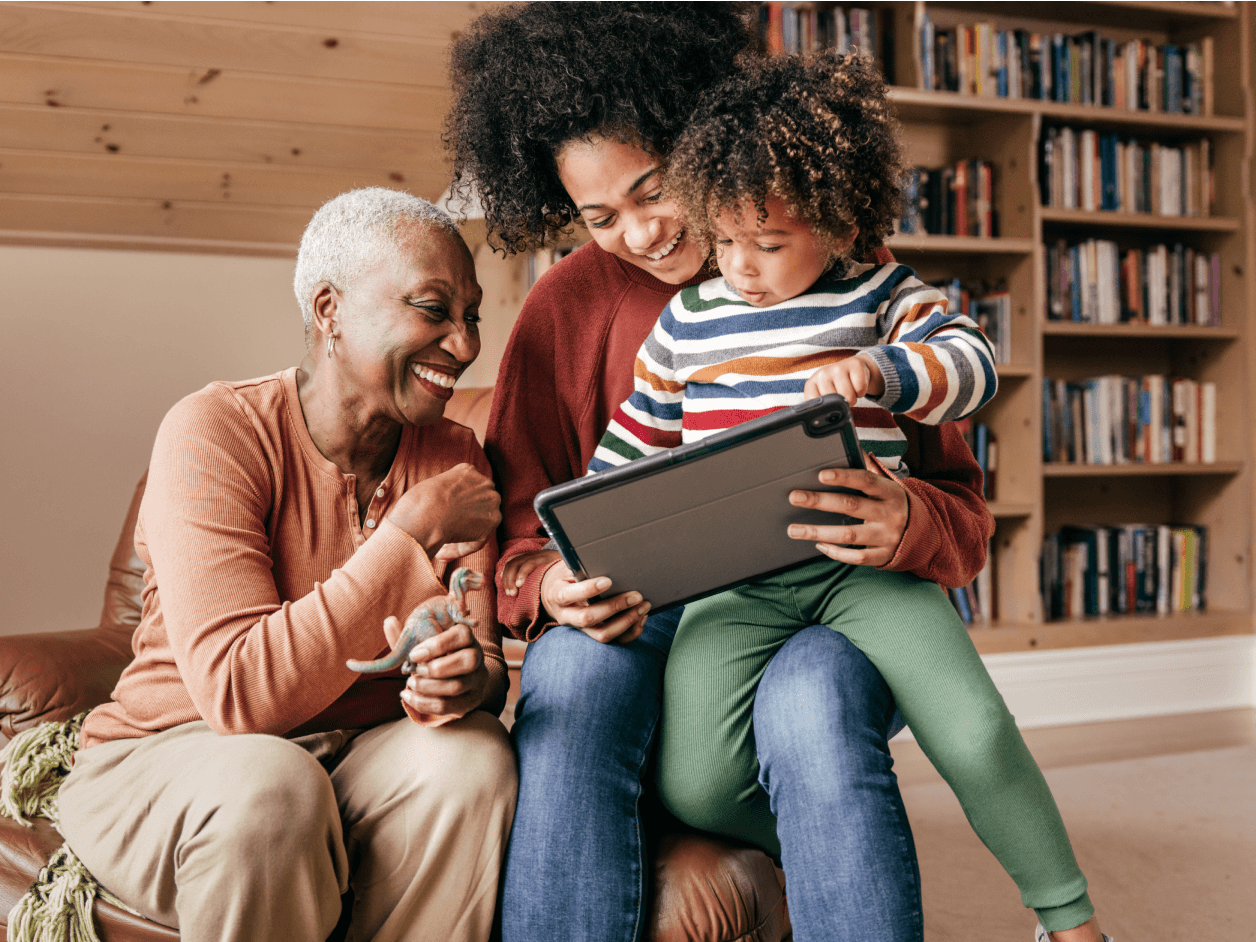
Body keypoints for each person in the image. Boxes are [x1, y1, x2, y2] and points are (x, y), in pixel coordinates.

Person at [446, 4, 991, 940]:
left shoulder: (834, 259)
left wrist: (907, 520)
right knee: (570, 684)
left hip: (835, 593)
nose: (643, 232)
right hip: (649, 611)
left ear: (698, 144)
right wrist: (550, 585)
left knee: (813, 702)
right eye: (599, 216)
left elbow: (962, 509)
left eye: (654, 188)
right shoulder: (563, 305)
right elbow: (521, 528)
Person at [592, 52, 1111, 942]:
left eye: (769, 243)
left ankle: (1068, 920)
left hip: (865, 571)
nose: (741, 267)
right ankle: (830, 850)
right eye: (723, 241)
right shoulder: (686, 323)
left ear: (836, 223)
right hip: (737, 582)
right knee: (697, 781)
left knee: (977, 732)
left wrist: (882, 370)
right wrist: (597, 544)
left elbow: (974, 365)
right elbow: (632, 450)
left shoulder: (881, 294)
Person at [55, 188, 518, 942]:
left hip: (353, 759)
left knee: (474, 759)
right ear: (330, 311)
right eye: (434, 309)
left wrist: (468, 677)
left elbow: (487, 664)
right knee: (273, 786)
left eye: (471, 317)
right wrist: (405, 537)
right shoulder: (214, 432)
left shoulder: (453, 456)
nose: (465, 345)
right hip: (174, 756)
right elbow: (240, 696)